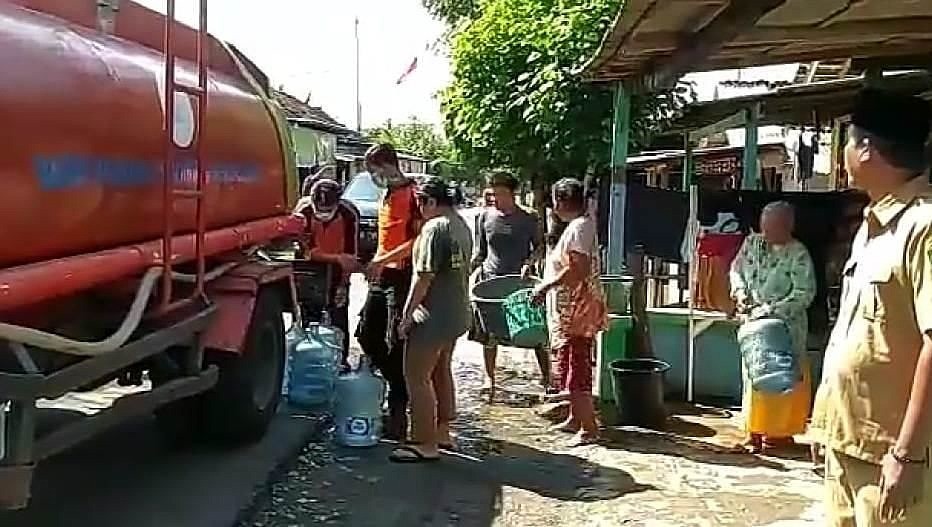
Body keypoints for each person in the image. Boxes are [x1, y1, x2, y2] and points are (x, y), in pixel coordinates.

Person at [811, 89, 932, 526]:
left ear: (866, 148)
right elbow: (858, 334)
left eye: (848, 140)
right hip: (850, 444)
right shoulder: (874, 225)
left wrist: (908, 455)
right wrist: (825, 423)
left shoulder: (924, 227)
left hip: (895, 457)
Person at [390, 177, 472, 462]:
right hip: (456, 312)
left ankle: (424, 442)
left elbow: (423, 277)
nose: (419, 209)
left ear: (431, 202)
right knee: (441, 371)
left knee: (417, 376)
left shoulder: (434, 228)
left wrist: (406, 315)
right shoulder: (461, 225)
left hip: (433, 315)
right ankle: (443, 430)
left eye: (420, 203)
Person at [729, 201, 816, 454]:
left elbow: (804, 293)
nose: (766, 234)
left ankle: (779, 435)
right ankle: (754, 432)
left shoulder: (798, 253)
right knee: (755, 380)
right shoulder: (752, 243)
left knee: (783, 381)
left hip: (785, 330)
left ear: (788, 227)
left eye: (773, 228)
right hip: (754, 327)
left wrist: (770, 311)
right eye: (764, 228)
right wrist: (740, 292)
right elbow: (737, 269)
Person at [532, 177, 607, 446]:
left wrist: (546, 286)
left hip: (578, 309)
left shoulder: (579, 228)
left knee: (577, 367)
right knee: (573, 362)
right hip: (576, 308)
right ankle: (576, 418)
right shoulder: (580, 226)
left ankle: (588, 428)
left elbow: (578, 269)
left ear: (561, 201)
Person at [356, 143, 421, 441]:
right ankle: (395, 386)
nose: (373, 177)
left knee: (396, 342)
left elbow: (418, 241)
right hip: (381, 276)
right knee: (366, 334)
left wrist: (381, 259)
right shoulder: (386, 195)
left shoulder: (414, 196)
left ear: (389, 166)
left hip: (403, 276)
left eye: (375, 171)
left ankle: (398, 411)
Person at [470, 172, 548, 399]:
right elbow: (480, 252)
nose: (496, 198)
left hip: (520, 282)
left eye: (501, 193)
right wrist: (469, 275)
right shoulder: (484, 217)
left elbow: (540, 247)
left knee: (533, 329)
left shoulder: (528, 218)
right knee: (489, 333)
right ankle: (489, 378)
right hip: (492, 279)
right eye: (493, 193)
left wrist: (530, 263)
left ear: (513, 193)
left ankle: (546, 378)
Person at [294, 177, 360, 371]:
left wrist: (344, 285)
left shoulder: (348, 215)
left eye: (328, 210)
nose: (323, 214)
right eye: (319, 209)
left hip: (338, 271)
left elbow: (351, 254)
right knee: (309, 317)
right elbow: (302, 251)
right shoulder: (302, 213)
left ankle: (340, 360)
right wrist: (334, 258)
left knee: (339, 315)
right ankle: (310, 361)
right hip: (310, 271)